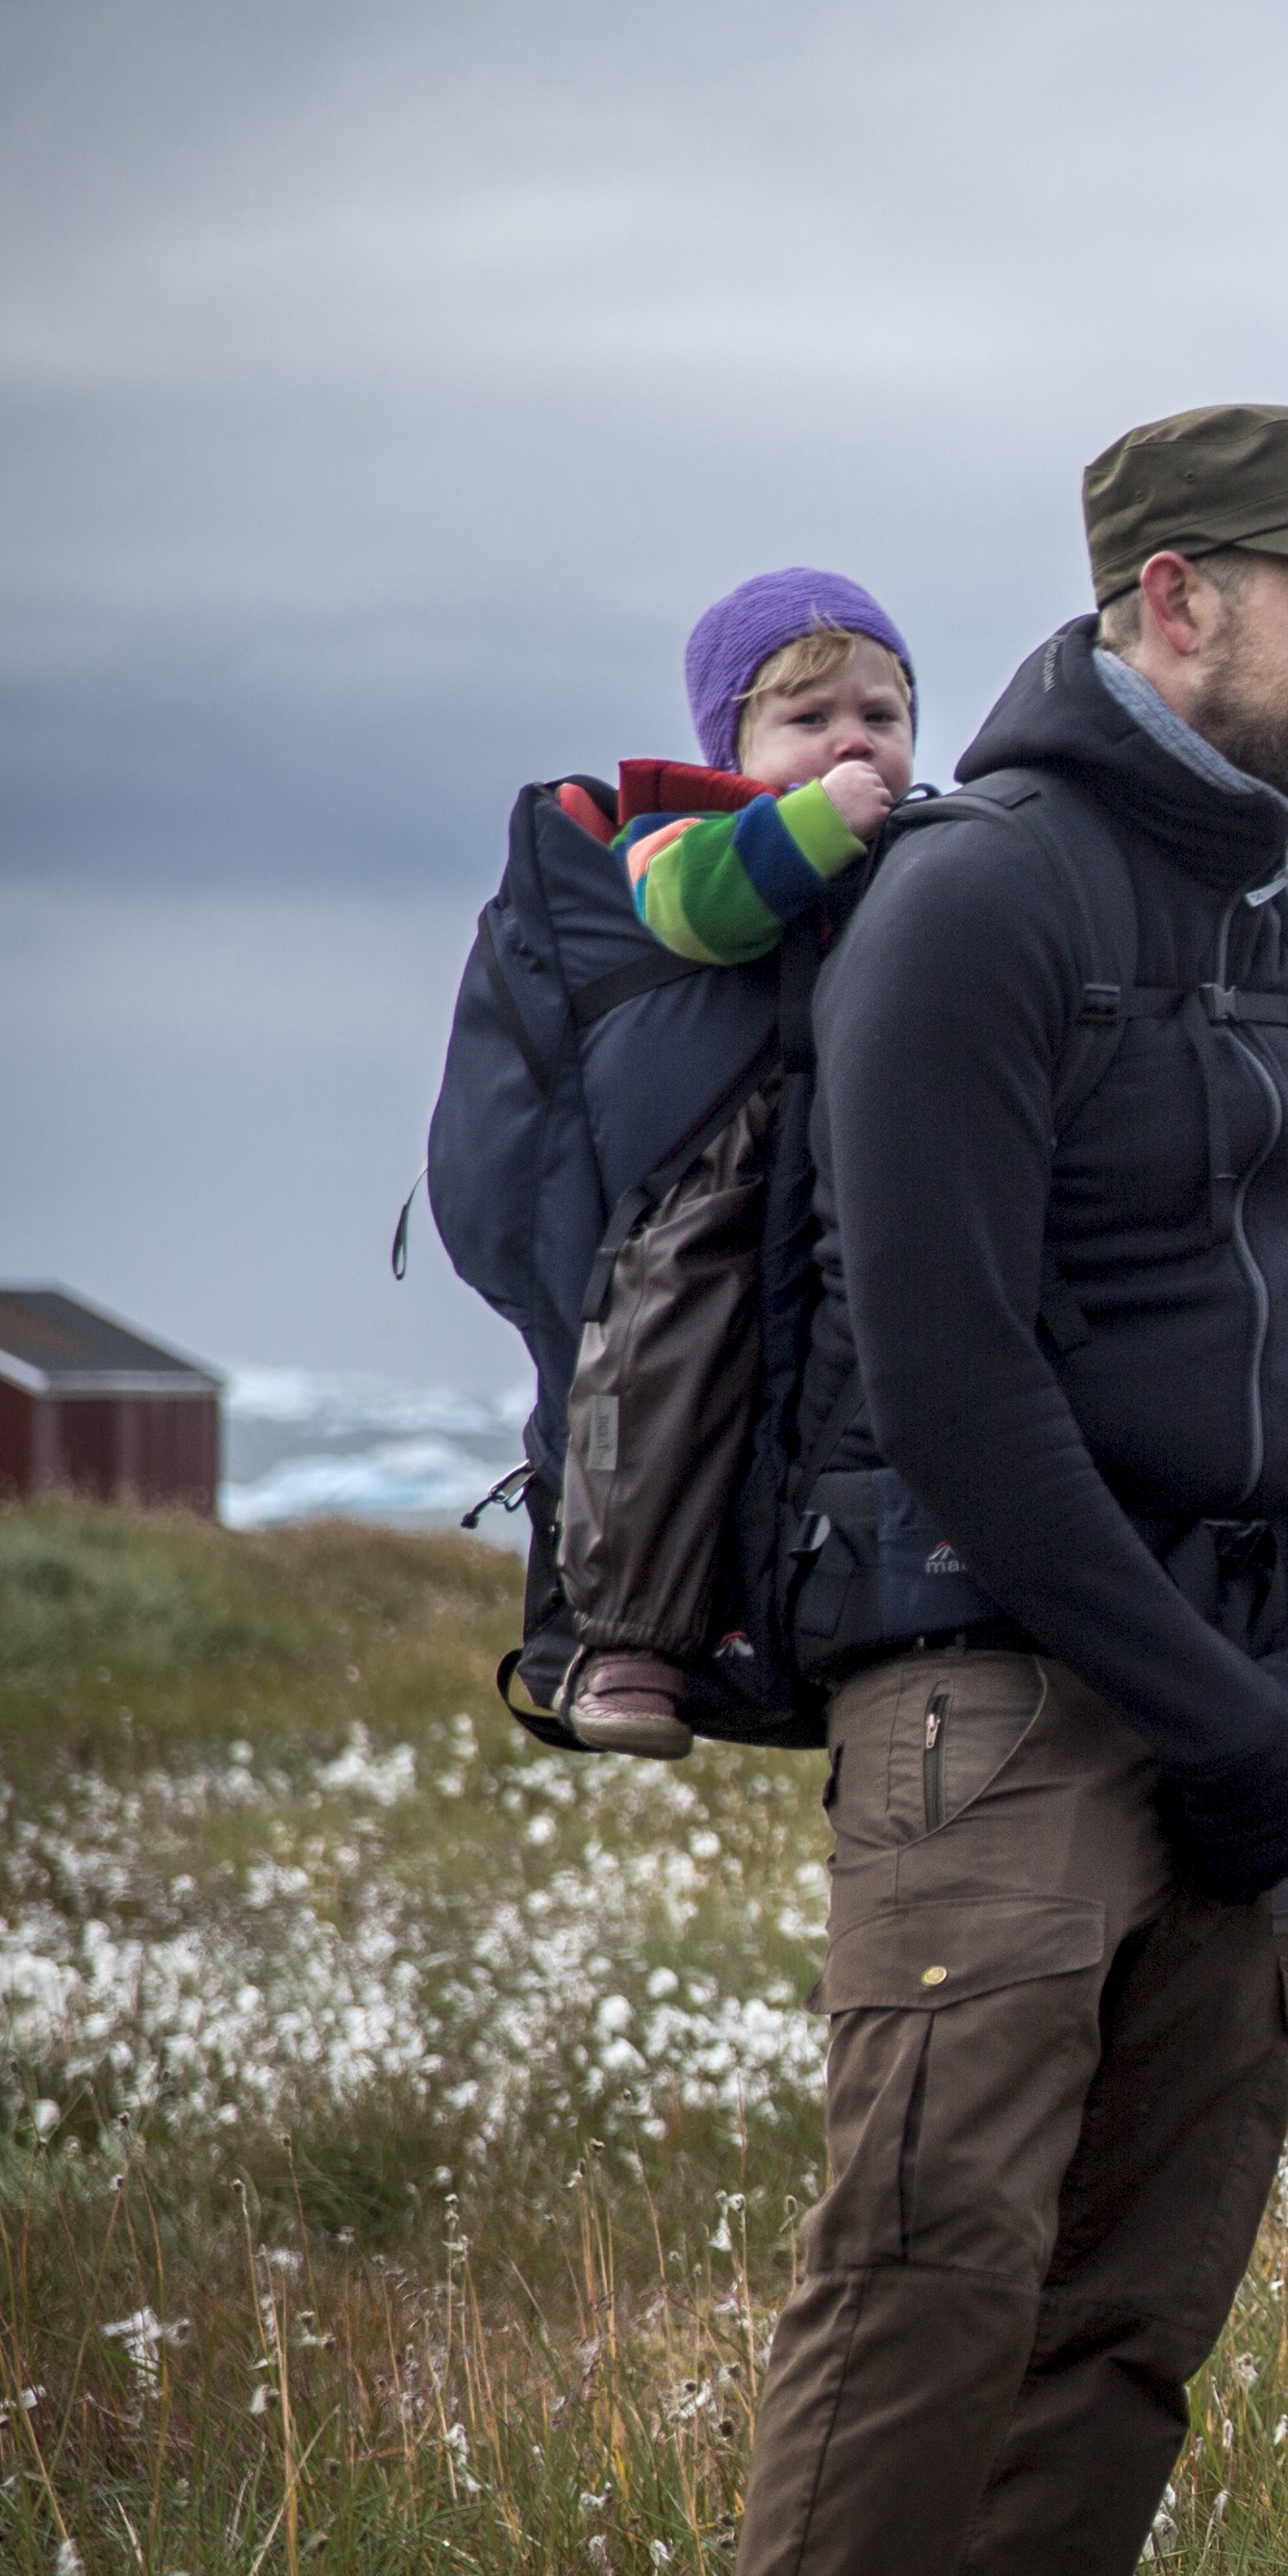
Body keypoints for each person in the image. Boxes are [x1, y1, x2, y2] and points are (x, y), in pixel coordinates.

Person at [641, 404, 1288, 2576]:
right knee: (929, 2262)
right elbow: (957, 1384)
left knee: (1142, 2278)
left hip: (1224, 1700)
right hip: (989, 1695)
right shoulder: (974, 896)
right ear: (1173, 596)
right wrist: (1218, 1708)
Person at [550, 570, 922, 1758]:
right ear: (734, 743)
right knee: (674, 1349)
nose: (852, 741)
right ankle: (630, 1639)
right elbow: (699, 912)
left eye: (881, 715)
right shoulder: (681, 834)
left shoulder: (924, 845)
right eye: (810, 719)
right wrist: (822, 823)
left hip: (853, 1148)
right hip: (722, 1162)